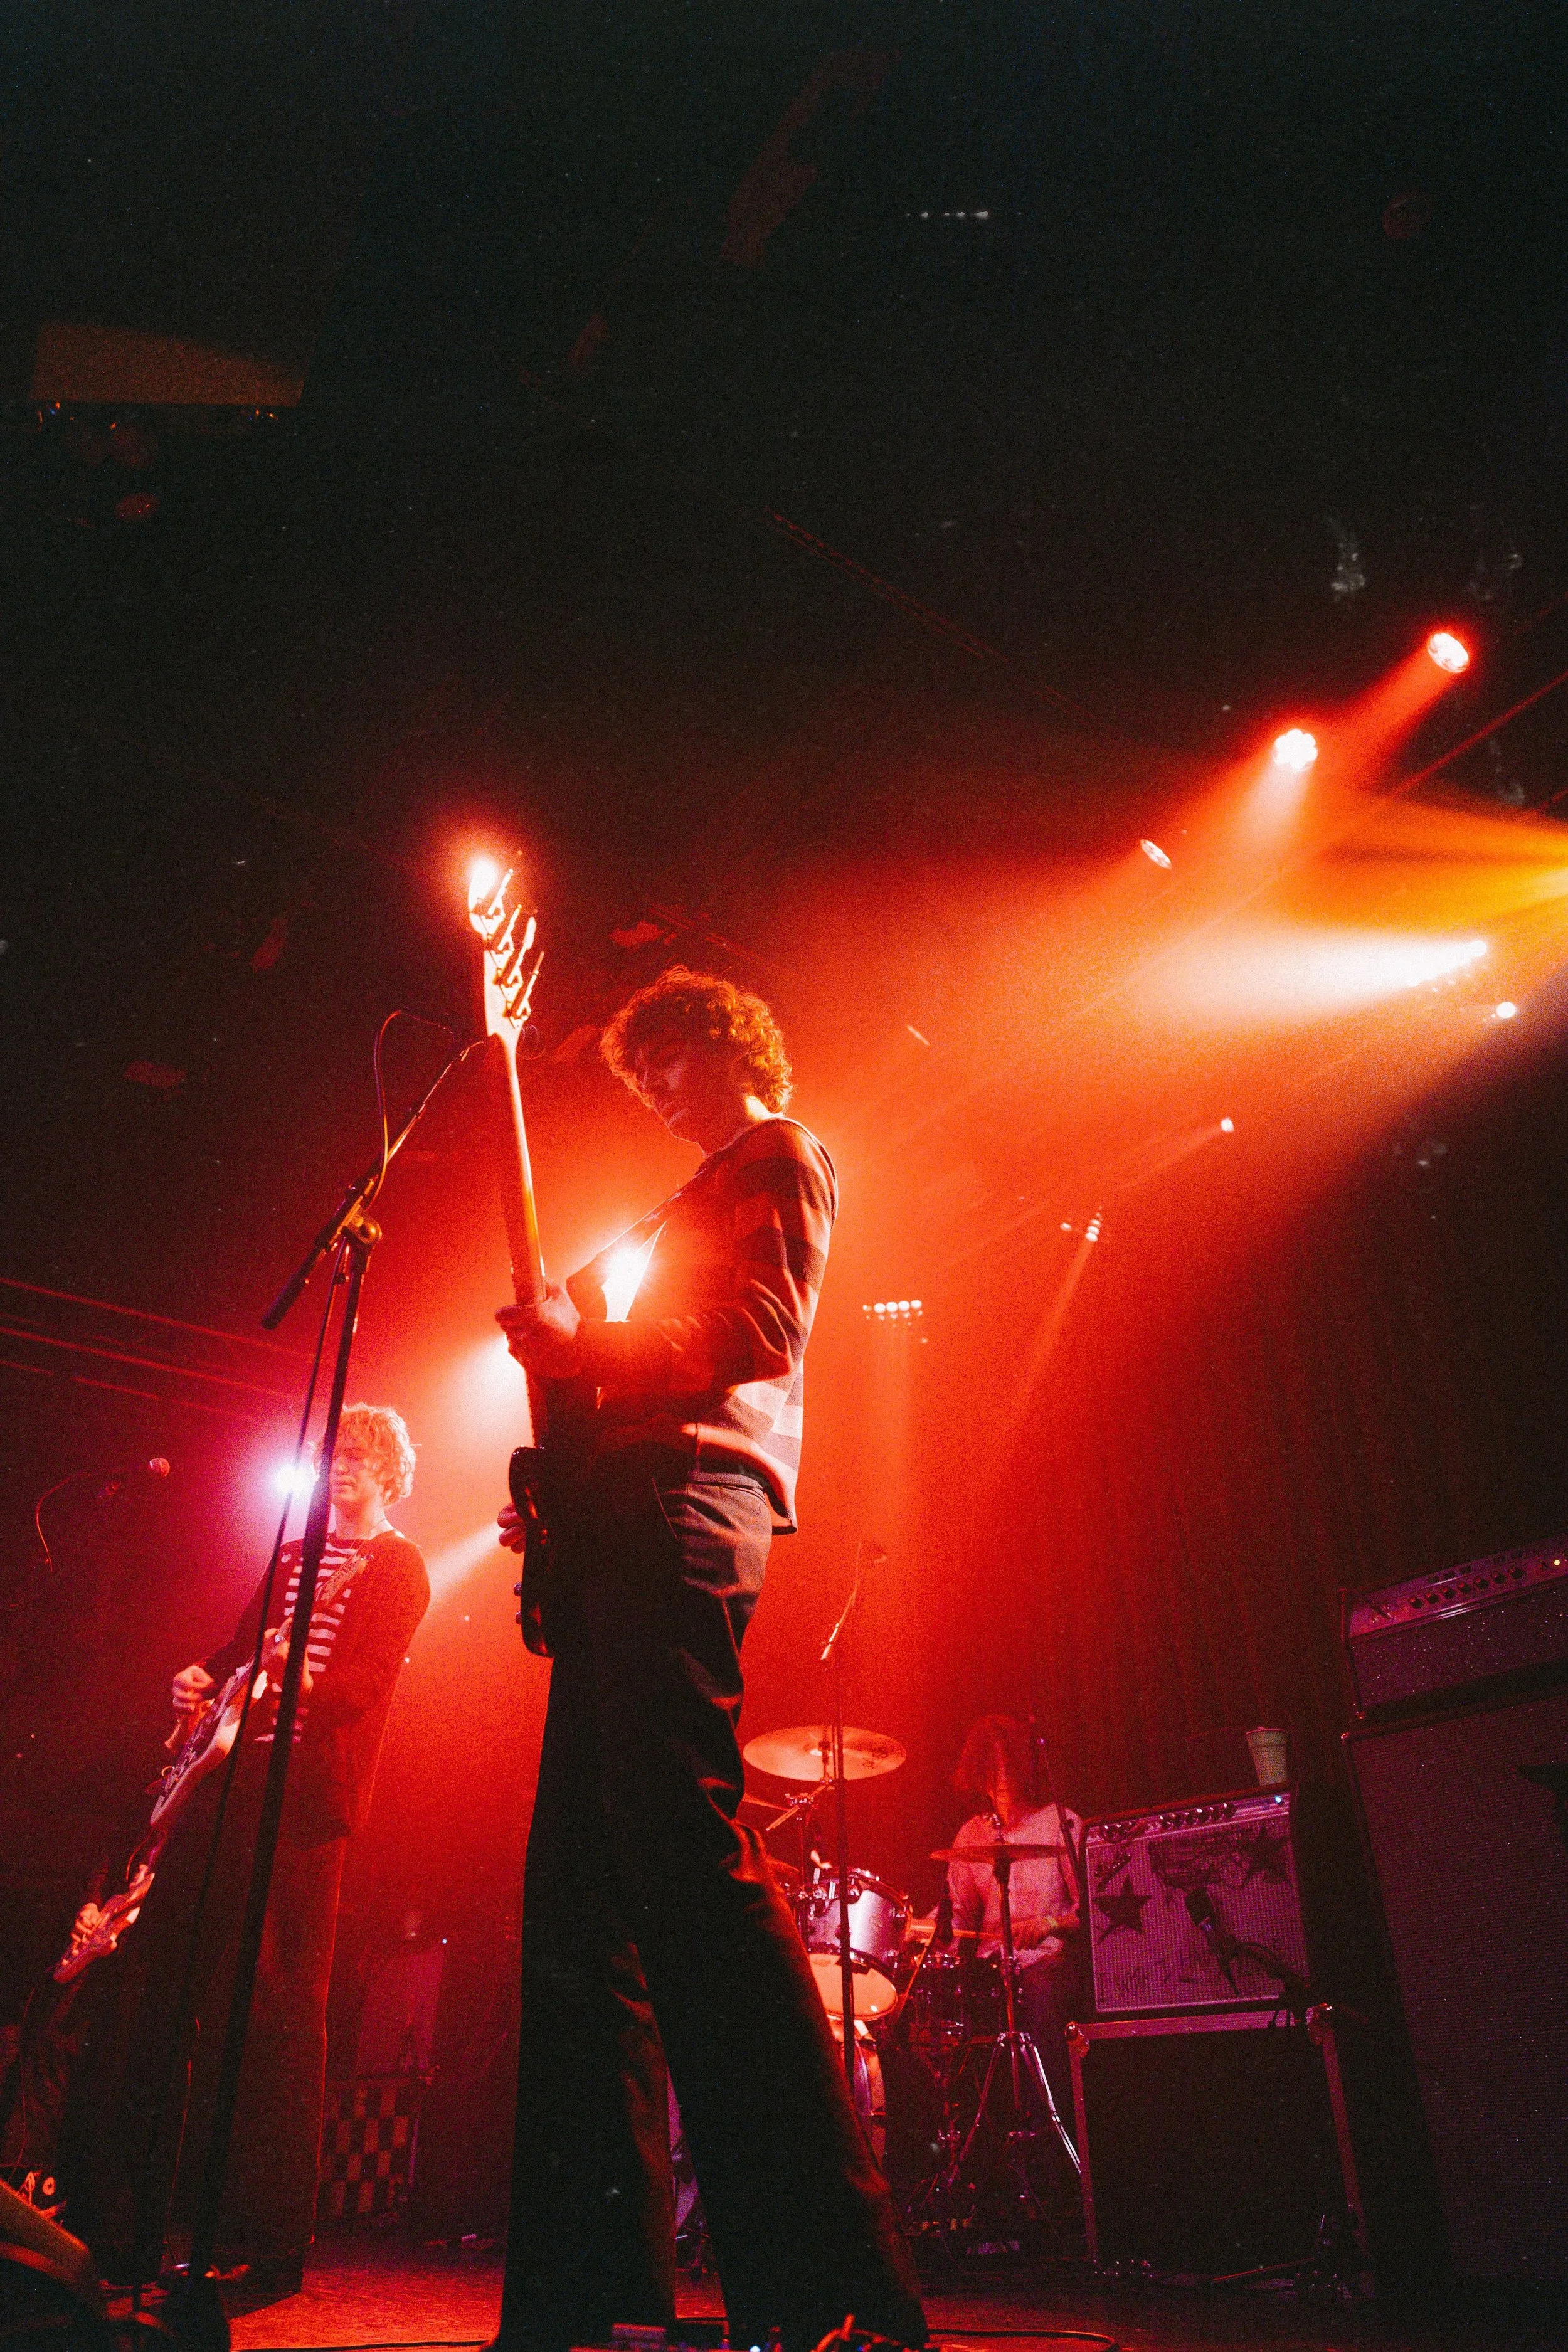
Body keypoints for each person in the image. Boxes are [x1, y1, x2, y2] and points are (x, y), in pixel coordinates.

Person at [494, 968, 926, 2352]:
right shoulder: (671, 1206)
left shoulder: (779, 1155)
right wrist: (556, 1452)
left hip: (694, 1500)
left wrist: (593, 1343)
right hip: (626, 1515)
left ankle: (825, 2286)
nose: (656, 1088)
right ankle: (584, 2295)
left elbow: (757, 1333)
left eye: (668, 1059)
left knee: (681, 1854)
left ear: (726, 1041)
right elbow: (619, 1369)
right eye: (645, 1073)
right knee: (576, 1899)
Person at [75, 1404, 428, 2296]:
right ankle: (125, 2217)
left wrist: (298, 1677)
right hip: (230, 1790)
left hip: (304, 1807)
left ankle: (268, 2238)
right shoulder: (292, 1558)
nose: (339, 1469)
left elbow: (366, 1684)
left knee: (275, 2016)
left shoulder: (397, 1565)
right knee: (165, 1987)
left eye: (356, 1457)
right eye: (331, 1455)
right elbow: (240, 1653)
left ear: (388, 1472)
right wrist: (201, 1676)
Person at [945, 1715, 1085, 2135]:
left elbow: (1094, 1911)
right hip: (992, 1973)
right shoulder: (970, 1836)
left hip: (1050, 1968)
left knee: (1042, 1992)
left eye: (1010, 1767)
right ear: (979, 1774)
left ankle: (1052, 2134)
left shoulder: (1060, 1822)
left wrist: (1048, 1922)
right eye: (993, 1769)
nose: (1003, 1779)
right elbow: (957, 1920)